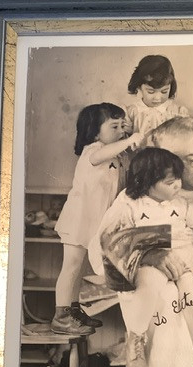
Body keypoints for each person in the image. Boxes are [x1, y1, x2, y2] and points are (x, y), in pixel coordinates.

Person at [97, 147, 193, 367]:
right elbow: (111, 240)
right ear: (147, 181)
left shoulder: (182, 204)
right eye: (170, 182)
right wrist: (144, 254)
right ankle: (136, 341)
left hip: (185, 266)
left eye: (178, 178)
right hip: (150, 263)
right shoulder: (131, 202)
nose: (177, 185)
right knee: (150, 285)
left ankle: (190, 354)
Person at [52, 103, 143, 335]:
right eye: (114, 126)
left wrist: (132, 145)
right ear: (94, 132)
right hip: (78, 219)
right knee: (70, 267)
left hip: (94, 223)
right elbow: (102, 155)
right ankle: (60, 315)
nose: (121, 131)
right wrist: (131, 138)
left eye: (123, 126)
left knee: (79, 270)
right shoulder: (92, 151)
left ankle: (73, 310)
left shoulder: (118, 154)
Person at [124, 55, 189, 138]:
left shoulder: (174, 111)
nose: (158, 98)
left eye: (164, 91)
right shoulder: (133, 111)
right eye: (151, 92)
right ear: (139, 87)